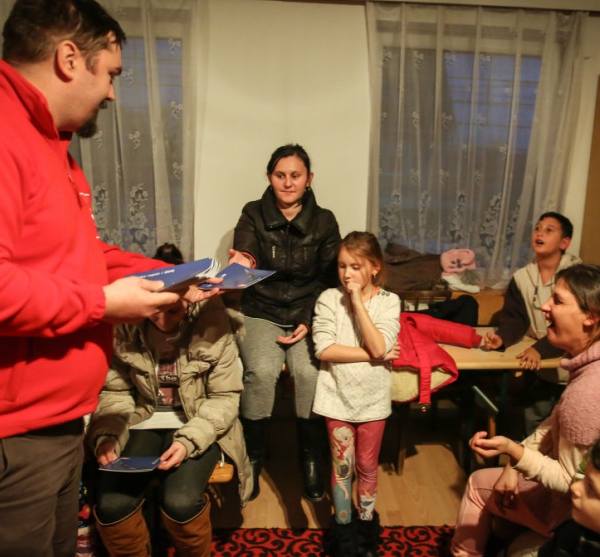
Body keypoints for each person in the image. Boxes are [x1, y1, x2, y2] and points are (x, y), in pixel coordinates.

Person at [0, 0, 217, 555]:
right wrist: (104, 304)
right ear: (70, 59)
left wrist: (171, 274)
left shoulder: (49, 148)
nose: (112, 92)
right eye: (111, 74)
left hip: (44, 431)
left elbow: (79, 255)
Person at [451, 264, 600, 557]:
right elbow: (556, 419)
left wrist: (514, 452)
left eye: (558, 301)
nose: (544, 306)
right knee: (504, 516)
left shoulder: (592, 390)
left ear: (591, 317)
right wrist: (513, 464)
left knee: (477, 483)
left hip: (591, 516)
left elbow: (571, 481)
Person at [87, 294, 251, 556]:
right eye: (154, 311)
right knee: (112, 504)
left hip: (200, 421)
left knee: (180, 502)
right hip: (140, 419)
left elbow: (225, 398)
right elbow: (115, 393)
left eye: (172, 311)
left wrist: (189, 441)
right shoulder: (124, 328)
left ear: (190, 301)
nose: (162, 321)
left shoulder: (214, 326)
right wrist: (108, 435)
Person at [229, 143, 341, 502]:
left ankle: (311, 459)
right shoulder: (252, 213)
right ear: (269, 177)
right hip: (261, 310)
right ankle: (253, 458)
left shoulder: (325, 221)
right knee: (261, 373)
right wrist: (242, 263)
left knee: (309, 374)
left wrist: (310, 318)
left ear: (309, 179)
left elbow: (331, 279)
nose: (288, 183)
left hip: (309, 312)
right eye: (280, 175)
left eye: (295, 175)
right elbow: (246, 252)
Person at [311, 231, 401, 557]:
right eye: (342, 266)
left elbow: (378, 344)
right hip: (336, 396)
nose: (347, 274)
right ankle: (344, 538)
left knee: (366, 465)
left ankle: (366, 534)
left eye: (355, 266)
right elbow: (325, 349)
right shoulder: (327, 299)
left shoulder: (389, 301)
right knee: (342, 468)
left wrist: (359, 304)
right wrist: (374, 355)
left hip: (373, 400)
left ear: (375, 267)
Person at [480, 211, 581, 435]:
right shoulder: (522, 277)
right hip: (540, 368)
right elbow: (515, 318)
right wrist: (501, 338)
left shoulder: (578, 277)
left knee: (569, 425)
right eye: (537, 228)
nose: (539, 233)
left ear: (564, 243)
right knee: (535, 420)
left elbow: (572, 326)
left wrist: (539, 349)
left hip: (573, 365)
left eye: (549, 230)